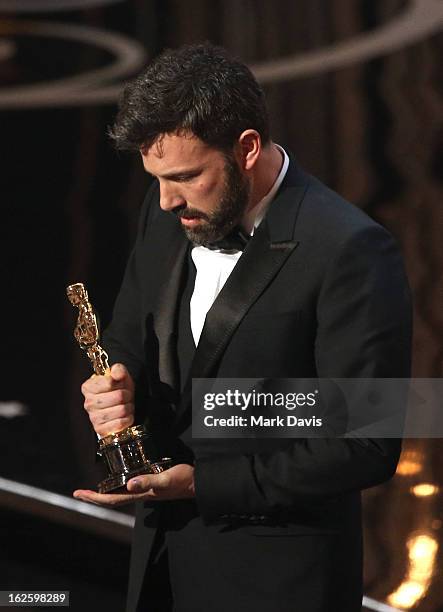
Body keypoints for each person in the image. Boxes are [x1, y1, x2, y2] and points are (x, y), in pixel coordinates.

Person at [74, 43, 412, 612]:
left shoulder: (350, 249)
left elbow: (367, 443)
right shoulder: (165, 219)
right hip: (160, 573)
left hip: (280, 586)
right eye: (155, 178)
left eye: (185, 175)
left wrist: (202, 483)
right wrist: (114, 389)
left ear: (247, 149)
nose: (164, 200)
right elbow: (129, 343)